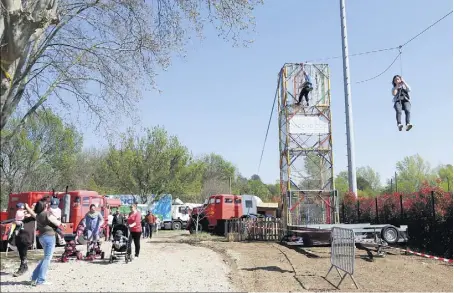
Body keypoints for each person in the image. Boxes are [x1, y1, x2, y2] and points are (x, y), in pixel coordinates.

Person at [24, 199, 63, 286]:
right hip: (49, 237)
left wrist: (27, 207)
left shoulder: (38, 215)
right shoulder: (46, 213)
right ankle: (41, 280)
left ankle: (34, 277)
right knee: (47, 259)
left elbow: (33, 214)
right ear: (44, 206)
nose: (48, 205)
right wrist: (60, 222)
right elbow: (56, 223)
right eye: (47, 204)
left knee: (45, 258)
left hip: (42, 237)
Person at [12, 210, 36, 277]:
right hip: (19, 235)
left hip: (26, 237)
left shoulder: (33, 216)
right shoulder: (24, 214)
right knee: (21, 253)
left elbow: (35, 215)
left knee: (23, 252)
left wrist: (29, 213)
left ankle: (23, 267)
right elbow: (17, 220)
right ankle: (24, 266)